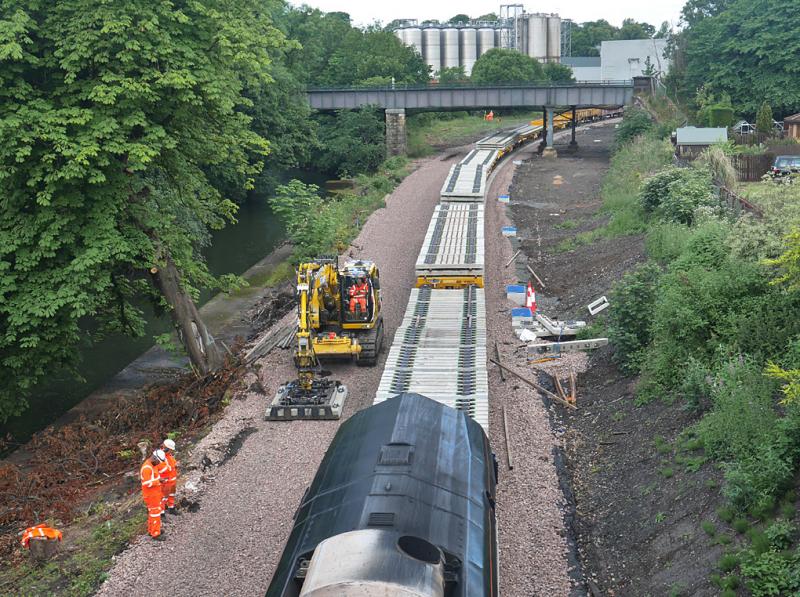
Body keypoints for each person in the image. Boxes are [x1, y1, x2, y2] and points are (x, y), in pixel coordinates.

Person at [140, 450, 166, 540]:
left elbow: (154, 477)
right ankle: (155, 534)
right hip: (151, 495)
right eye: (159, 461)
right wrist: (159, 481)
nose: (159, 463)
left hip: (155, 494)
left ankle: (153, 530)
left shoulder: (153, 465)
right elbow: (147, 483)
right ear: (155, 458)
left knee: (154, 512)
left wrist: (160, 479)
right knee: (155, 513)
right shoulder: (147, 468)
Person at [160, 439, 179, 515]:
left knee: (172, 494)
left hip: (172, 479)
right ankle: (162, 513)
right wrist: (173, 466)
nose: (171, 451)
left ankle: (171, 507)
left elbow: (172, 462)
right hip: (166, 481)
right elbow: (163, 468)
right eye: (170, 450)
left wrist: (175, 464)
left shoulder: (169, 455)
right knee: (163, 497)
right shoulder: (161, 456)